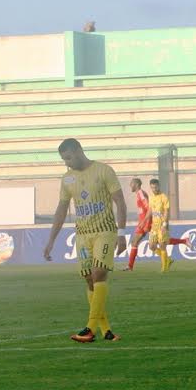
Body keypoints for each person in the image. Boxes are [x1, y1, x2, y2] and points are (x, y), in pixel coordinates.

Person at [43, 138, 126, 343]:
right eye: (64, 159)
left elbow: (120, 202)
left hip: (105, 231)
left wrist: (122, 233)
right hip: (82, 235)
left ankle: (89, 328)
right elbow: (62, 209)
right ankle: (106, 330)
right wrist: (51, 239)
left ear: (79, 151)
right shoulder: (67, 179)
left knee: (99, 273)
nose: (67, 162)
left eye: (69, 157)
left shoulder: (104, 171)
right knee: (89, 279)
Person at [125, 178, 187, 271]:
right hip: (147, 222)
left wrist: (146, 223)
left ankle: (130, 266)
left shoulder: (142, 194)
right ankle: (182, 243)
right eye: (152, 188)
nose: (130, 185)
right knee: (155, 244)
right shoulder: (148, 196)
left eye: (131, 183)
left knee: (136, 242)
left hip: (151, 223)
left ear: (136, 184)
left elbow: (148, 208)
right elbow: (149, 209)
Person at [147, 179, 178, 272]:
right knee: (151, 246)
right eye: (152, 187)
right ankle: (168, 260)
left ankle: (164, 268)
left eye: (155, 187)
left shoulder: (164, 197)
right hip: (154, 226)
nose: (154, 189)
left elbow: (166, 211)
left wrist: (164, 224)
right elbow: (150, 210)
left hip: (161, 225)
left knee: (162, 245)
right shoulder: (151, 197)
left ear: (159, 186)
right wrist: (145, 220)